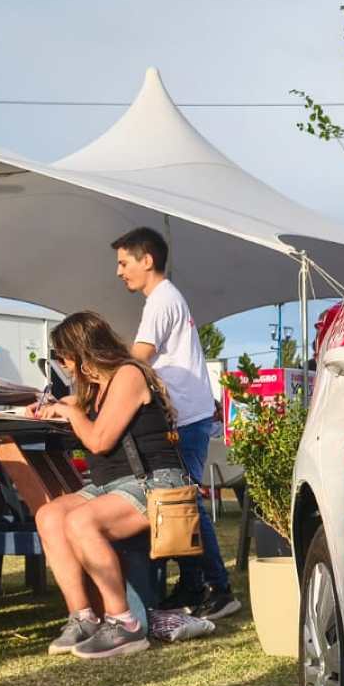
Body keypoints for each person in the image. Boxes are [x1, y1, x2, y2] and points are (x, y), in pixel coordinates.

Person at [31, 311, 194, 660]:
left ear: (82, 352)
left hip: (155, 483)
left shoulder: (128, 375)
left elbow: (100, 441)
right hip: (114, 485)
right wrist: (57, 406)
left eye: (64, 357)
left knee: (81, 521)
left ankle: (125, 623)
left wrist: (73, 414)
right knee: (49, 516)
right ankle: (83, 617)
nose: (64, 365)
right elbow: (78, 408)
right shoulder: (96, 388)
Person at [115, 227, 239, 619]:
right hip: (186, 413)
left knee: (184, 503)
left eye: (123, 262)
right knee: (179, 502)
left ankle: (219, 589)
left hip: (185, 415)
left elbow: (137, 359)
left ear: (146, 260)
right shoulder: (164, 299)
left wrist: (100, 370)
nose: (119, 272)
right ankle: (192, 584)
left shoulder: (160, 300)